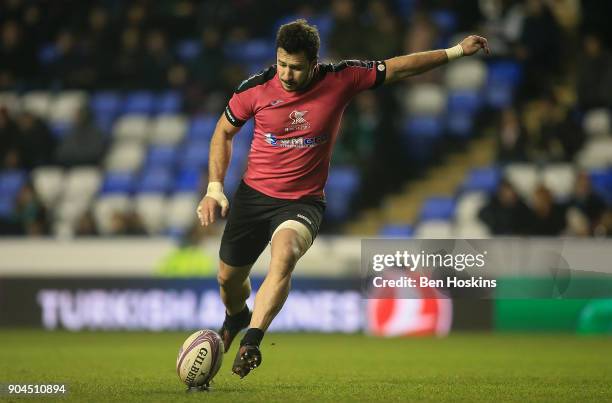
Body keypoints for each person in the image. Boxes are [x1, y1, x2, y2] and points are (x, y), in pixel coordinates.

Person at [196, 19, 489, 378]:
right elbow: (223, 132)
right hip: (253, 197)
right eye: (283, 64)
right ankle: (237, 316)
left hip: (302, 202)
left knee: (284, 254)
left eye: (297, 67)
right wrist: (214, 187)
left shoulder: (341, 78)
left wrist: (456, 51)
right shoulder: (254, 89)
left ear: (314, 63)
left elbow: (398, 67)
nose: (287, 74)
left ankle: (252, 341)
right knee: (228, 278)